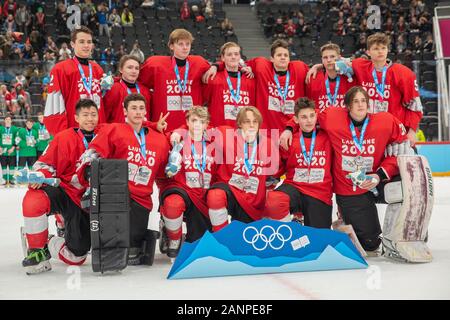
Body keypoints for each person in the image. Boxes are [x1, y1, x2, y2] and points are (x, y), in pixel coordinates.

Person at [287, 86, 410, 254]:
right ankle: (344, 219)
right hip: (349, 189)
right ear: (348, 106)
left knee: (407, 187)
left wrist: (380, 174)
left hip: (377, 180)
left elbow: (402, 149)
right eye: (355, 101)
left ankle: (408, 235)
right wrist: (288, 129)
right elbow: (306, 116)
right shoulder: (332, 117)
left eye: (363, 101)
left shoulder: (385, 121)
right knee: (371, 244)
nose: (361, 105)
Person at [77, 94, 170, 264]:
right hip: (116, 195)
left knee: (133, 247)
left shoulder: (159, 139)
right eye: (133, 108)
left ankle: (141, 240)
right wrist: (89, 176)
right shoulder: (113, 130)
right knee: (112, 240)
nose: (138, 112)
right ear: (125, 110)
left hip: (142, 198)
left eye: (141, 108)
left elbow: (165, 173)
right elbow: (93, 154)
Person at [21, 99, 99, 274]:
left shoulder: (106, 136)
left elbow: (134, 123)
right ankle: (37, 248)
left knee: (77, 256)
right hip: (67, 194)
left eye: (93, 114)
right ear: (76, 118)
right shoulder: (63, 137)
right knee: (35, 198)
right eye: (85, 115)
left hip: (93, 202)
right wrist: (40, 176)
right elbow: (43, 165)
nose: (90, 119)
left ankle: (49, 241)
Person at [307, 32, 422, 146]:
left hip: (394, 131)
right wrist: (318, 66)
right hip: (368, 131)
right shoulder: (361, 66)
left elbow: (415, 106)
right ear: (368, 52)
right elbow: (334, 61)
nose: (380, 51)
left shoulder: (404, 73)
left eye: (383, 48)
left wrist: (412, 131)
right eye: (376, 48)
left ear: (388, 50)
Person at [209, 40, 309, 133]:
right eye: (279, 55)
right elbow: (233, 64)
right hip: (265, 132)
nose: (283, 57)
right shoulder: (262, 66)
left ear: (289, 59)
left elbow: (322, 70)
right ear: (271, 59)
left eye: (286, 55)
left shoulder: (299, 68)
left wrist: (318, 66)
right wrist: (216, 66)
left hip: (292, 130)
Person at [206, 106, 278, 232]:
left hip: (252, 200)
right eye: (246, 121)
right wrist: (178, 132)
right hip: (230, 191)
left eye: (254, 121)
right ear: (239, 123)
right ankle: (221, 237)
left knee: (245, 238)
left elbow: (275, 175)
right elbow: (197, 127)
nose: (251, 125)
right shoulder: (225, 134)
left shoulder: (268, 144)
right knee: (215, 196)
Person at [266, 98, 333, 228]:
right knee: (274, 201)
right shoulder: (289, 140)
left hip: (319, 193)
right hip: (295, 187)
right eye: (303, 117)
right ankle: (286, 232)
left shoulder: (328, 137)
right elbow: (278, 168)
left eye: (312, 116)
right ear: (296, 120)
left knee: (318, 240)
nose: (309, 120)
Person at [160, 107, 214, 258]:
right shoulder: (176, 139)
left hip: (203, 196)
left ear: (207, 125)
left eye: (201, 122)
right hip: (181, 189)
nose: (197, 125)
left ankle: (183, 233)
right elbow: (157, 140)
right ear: (187, 122)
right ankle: (174, 238)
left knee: (200, 246)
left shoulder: (214, 141)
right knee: (173, 204)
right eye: (194, 121)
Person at [138, 28, 216, 132]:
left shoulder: (199, 63)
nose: (185, 47)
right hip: (164, 125)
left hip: (191, 127)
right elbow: (135, 79)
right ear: (171, 46)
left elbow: (224, 72)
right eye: (180, 44)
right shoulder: (156, 64)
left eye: (188, 44)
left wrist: (216, 66)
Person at [44, 26, 105, 136]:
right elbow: (55, 105)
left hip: (98, 133)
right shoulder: (61, 69)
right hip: (74, 133)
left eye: (89, 42)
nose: (86, 46)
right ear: (72, 44)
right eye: (81, 42)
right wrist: (62, 135)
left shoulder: (98, 69)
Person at [203, 42, 256, 127]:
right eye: (229, 54)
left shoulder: (250, 80)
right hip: (218, 131)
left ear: (240, 57)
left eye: (236, 54)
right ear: (223, 58)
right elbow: (204, 102)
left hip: (243, 132)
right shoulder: (213, 78)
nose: (233, 57)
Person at [103, 55, 152, 123]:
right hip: (119, 131)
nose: (134, 71)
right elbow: (105, 115)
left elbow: (148, 116)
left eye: (136, 68)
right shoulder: (113, 89)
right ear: (121, 69)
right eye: (130, 67)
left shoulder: (145, 91)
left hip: (140, 131)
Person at [0, 114, 18, 185]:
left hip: (11, 152)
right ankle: (4, 179)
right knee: (4, 166)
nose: (7, 121)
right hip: (3, 152)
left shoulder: (15, 129)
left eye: (9, 120)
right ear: (4, 121)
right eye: (6, 119)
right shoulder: (1, 129)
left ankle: (11, 179)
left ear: (11, 121)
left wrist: (13, 148)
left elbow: (17, 139)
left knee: (12, 167)